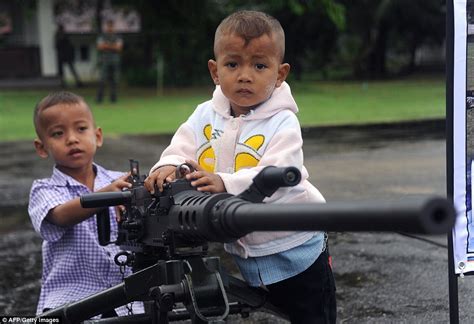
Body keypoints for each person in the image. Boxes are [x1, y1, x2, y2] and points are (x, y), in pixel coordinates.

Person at [144, 10, 336, 324]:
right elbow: (181, 147)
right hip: (247, 252)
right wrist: (167, 166)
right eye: (233, 64)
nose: (245, 75)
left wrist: (225, 182)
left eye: (260, 65)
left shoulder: (282, 121)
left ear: (280, 74)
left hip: (296, 249)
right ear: (215, 71)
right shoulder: (205, 114)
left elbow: (280, 174)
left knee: (313, 316)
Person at [28, 91, 143, 317]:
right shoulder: (44, 189)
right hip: (70, 298)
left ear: (97, 136)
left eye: (81, 129)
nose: (72, 139)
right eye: (58, 133)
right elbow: (60, 216)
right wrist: (108, 196)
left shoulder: (118, 180)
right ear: (42, 147)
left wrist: (139, 197)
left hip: (127, 296)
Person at [96, 20, 123, 103]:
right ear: (107, 27)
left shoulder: (118, 36)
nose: (110, 28)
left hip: (115, 60)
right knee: (102, 79)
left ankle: (113, 99)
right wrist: (112, 46)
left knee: (114, 80)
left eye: (111, 26)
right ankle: (99, 99)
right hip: (105, 60)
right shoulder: (102, 36)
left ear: (113, 27)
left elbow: (119, 48)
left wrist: (106, 45)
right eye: (109, 26)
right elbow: (100, 47)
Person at [55, 24, 83, 88]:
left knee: (71, 69)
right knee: (63, 70)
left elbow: (70, 46)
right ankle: (63, 83)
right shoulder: (59, 35)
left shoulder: (64, 35)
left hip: (66, 55)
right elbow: (57, 46)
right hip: (62, 55)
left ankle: (78, 82)